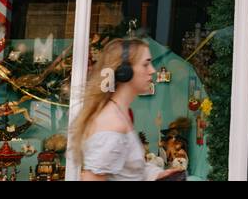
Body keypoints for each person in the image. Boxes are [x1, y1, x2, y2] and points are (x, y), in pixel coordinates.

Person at [70, 38, 185, 181]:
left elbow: (129, 171)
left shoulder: (121, 114)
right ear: (125, 72)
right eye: (145, 64)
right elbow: (91, 178)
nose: (152, 70)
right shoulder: (112, 123)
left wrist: (156, 174)